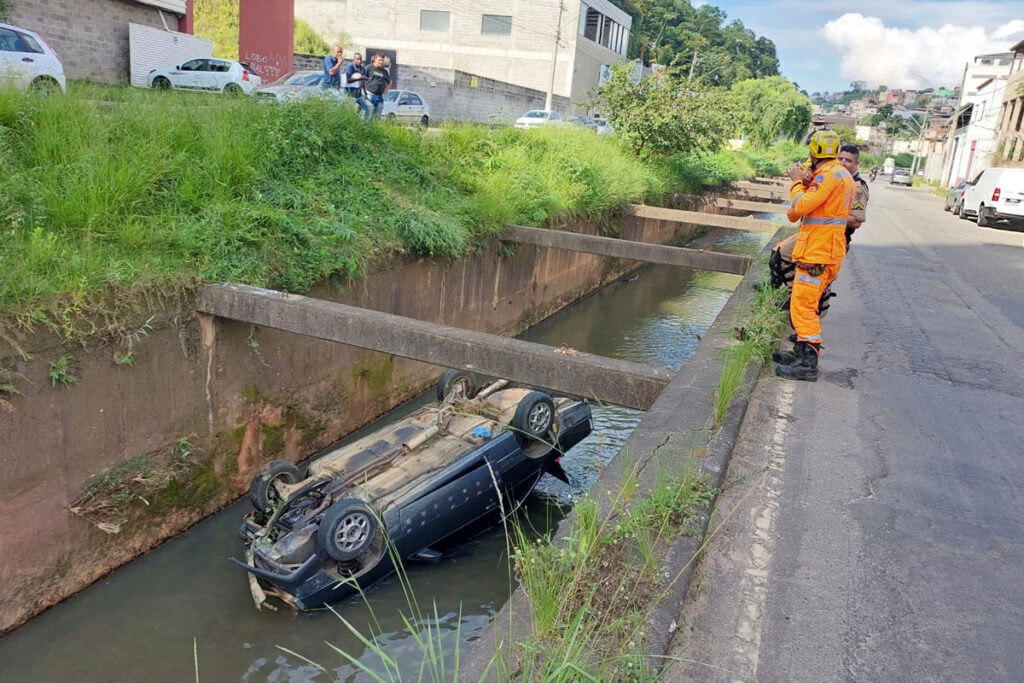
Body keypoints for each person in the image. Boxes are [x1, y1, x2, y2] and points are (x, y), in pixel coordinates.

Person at [773, 129, 855, 381]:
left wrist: (797, 182)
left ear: (816, 151)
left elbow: (798, 209)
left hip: (818, 251)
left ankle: (807, 364)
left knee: (804, 306)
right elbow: (822, 204)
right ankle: (800, 353)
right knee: (805, 303)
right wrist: (809, 181)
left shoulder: (828, 176)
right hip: (826, 250)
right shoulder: (840, 175)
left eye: (811, 149)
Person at [362, 53, 391, 121]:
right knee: (368, 113)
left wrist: (386, 90)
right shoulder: (368, 68)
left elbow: (389, 81)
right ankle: (365, 129)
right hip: (370, 94)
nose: (381, 62)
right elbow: (361, 79)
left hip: (380, 96)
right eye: (379, 60)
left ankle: (373, 129)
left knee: (377, 116)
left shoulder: (384, 71)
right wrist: (363, 92)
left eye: (382, 60)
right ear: (375, 59)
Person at [345, 52, 370, 118]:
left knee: (367, 110)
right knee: (349, 112)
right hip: (350, 94)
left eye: (360, 59)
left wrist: (365, 93)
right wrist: (360, 78)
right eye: (357, 59)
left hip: (359, 94)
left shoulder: (362, 69)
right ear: (354, 59)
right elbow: (348, 80)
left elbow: (363, 82)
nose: (359, 61)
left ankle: (364, 126)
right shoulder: (350, 67)